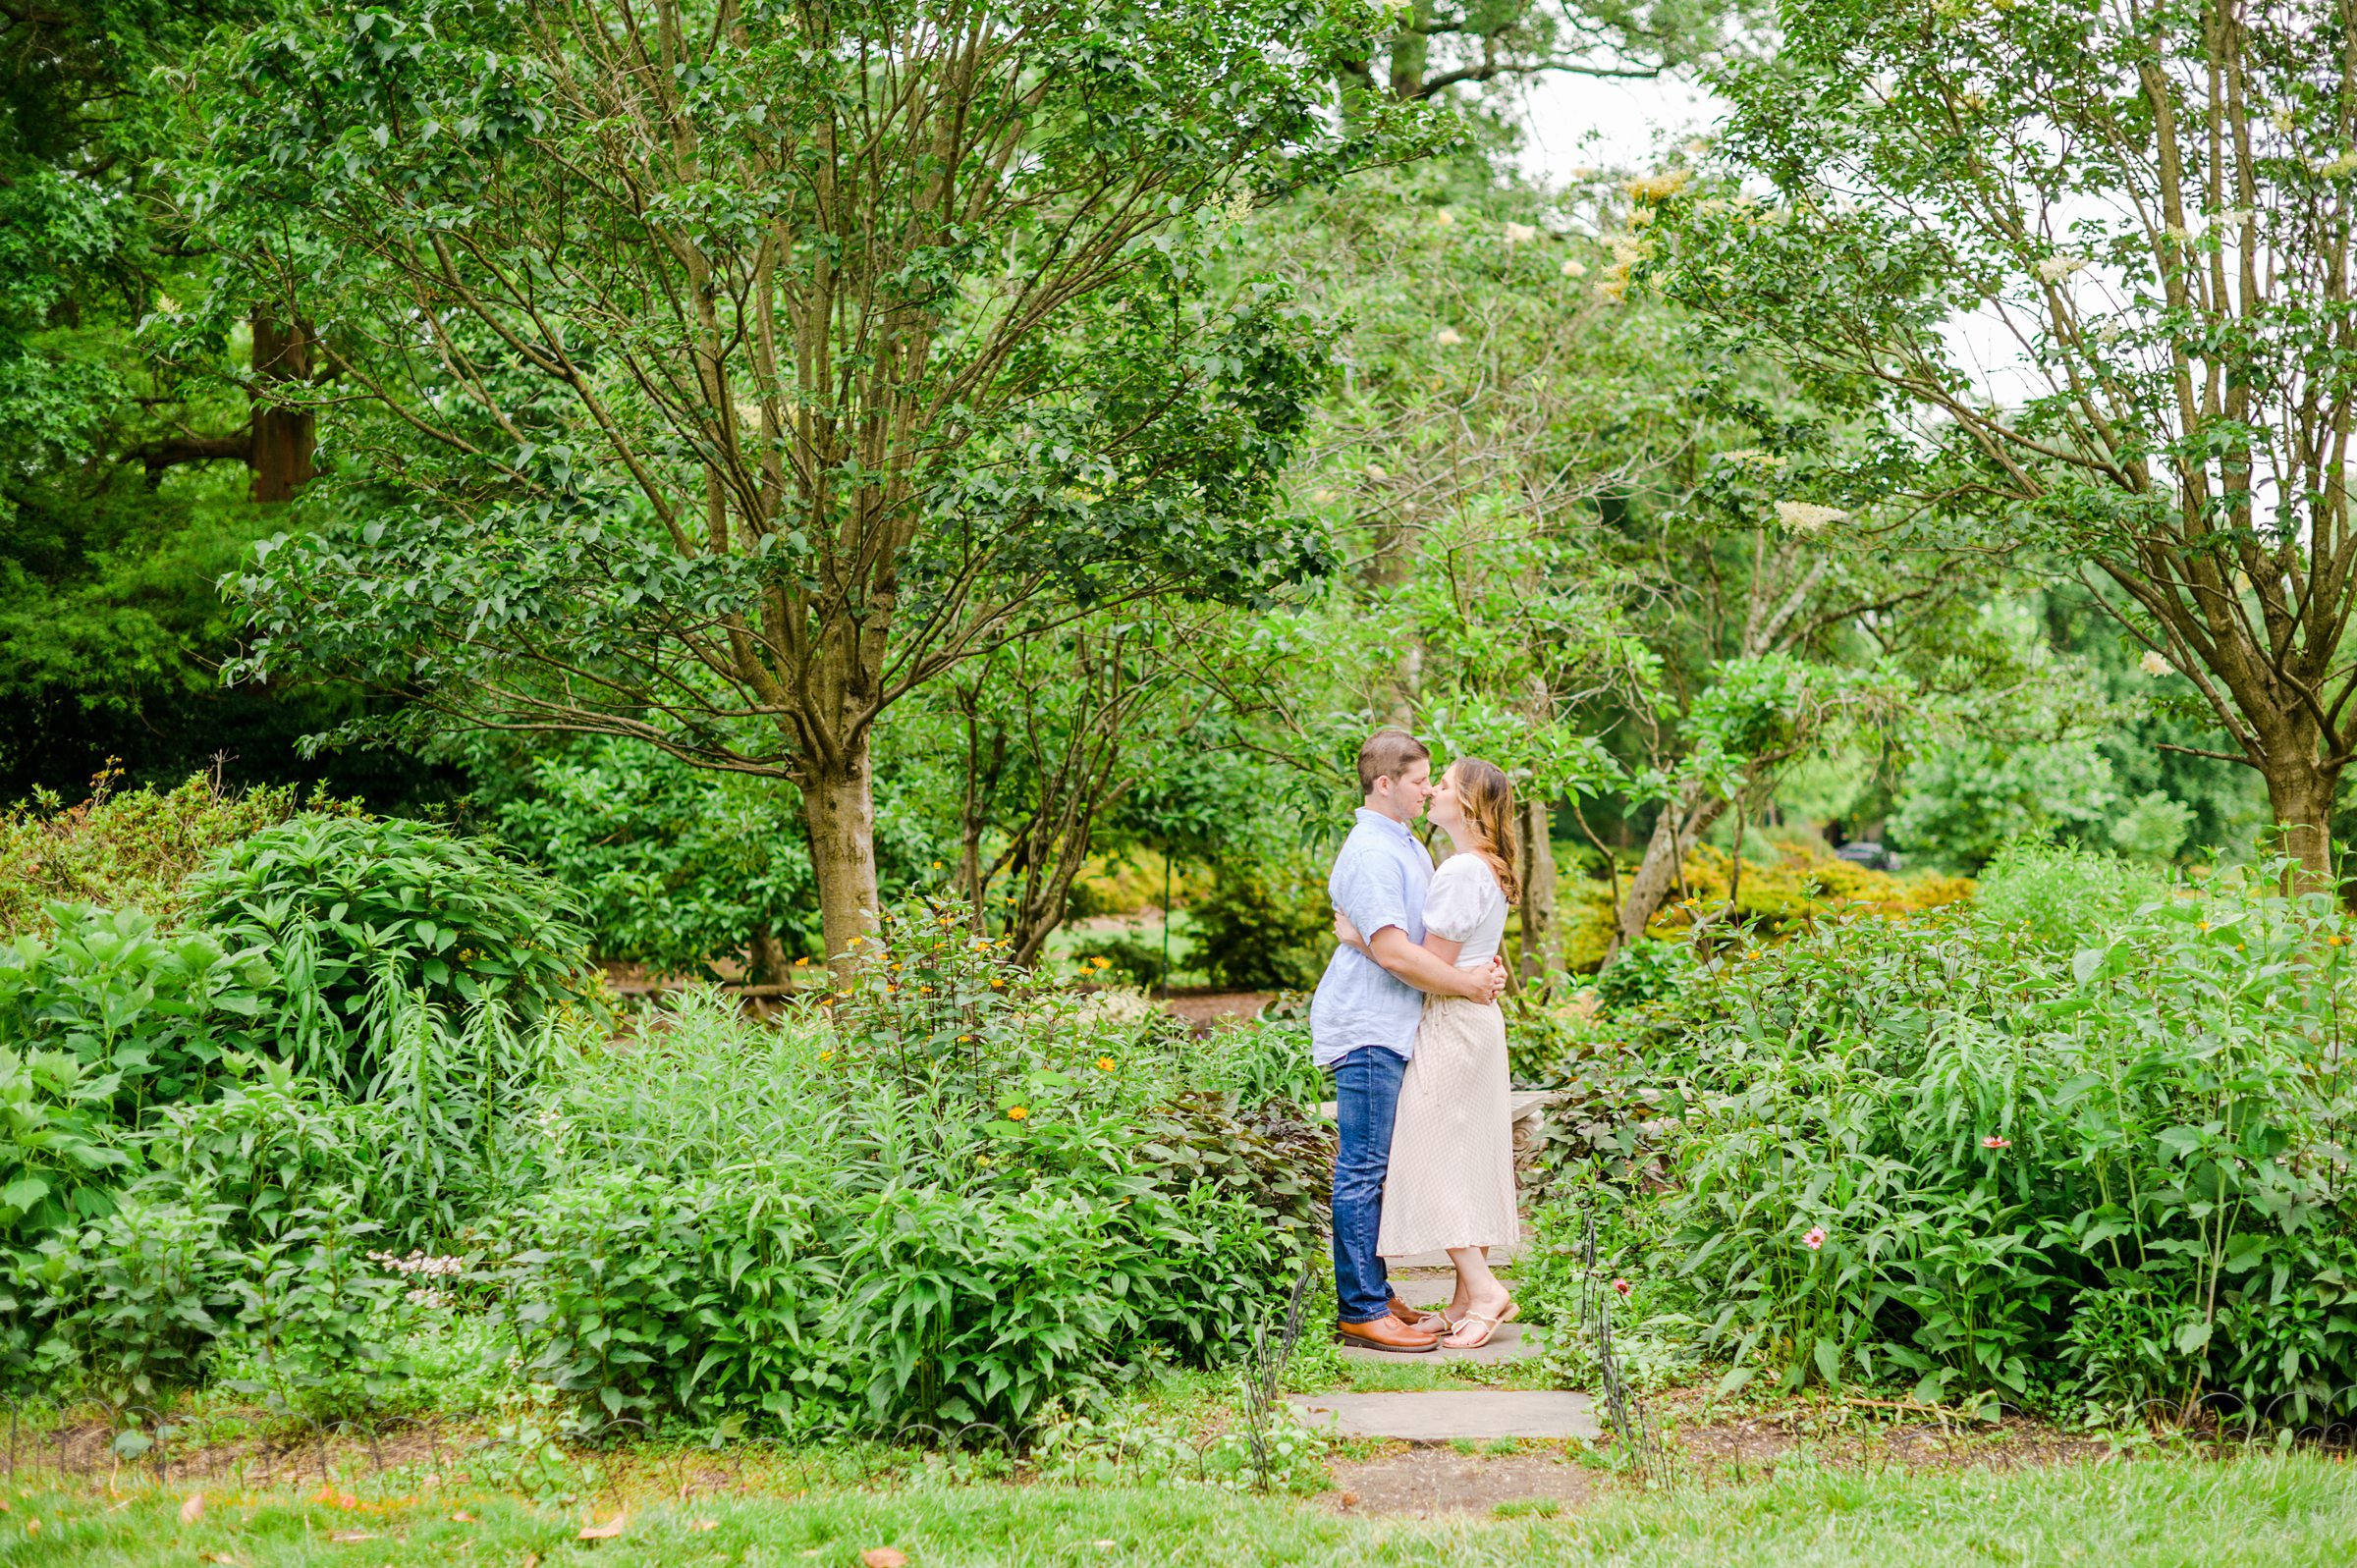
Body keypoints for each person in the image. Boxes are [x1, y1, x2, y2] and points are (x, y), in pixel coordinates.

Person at [1309, 730, 1508, 1353]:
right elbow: (1398, 953)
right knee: (1365, 1167)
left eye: (1437, 781)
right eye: (1422, 781)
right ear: (1385, 783)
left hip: (1409, 1023)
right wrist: (1468, 983)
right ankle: (1362, 1308)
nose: (1429, 790)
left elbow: (1430, 940)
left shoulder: (1411, 849)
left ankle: (1379, 1292)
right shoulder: (1373, 851)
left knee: (1384, 1164)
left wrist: (1477, 974)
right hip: (1371, 1023)